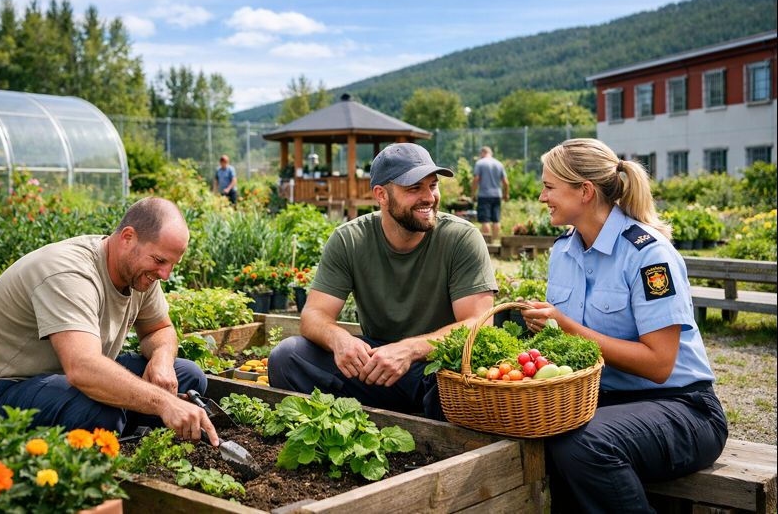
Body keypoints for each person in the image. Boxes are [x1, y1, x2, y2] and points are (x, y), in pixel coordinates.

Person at [520, 138, 727, 513]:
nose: (541, 196)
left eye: (549, 187)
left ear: (585, 191)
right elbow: (574, 350)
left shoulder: (649, 256)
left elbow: (659, 364)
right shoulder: (563, 251)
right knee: (530, 429)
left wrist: (565, 326)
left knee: (582, 443)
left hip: (684, 409)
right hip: (606, 402)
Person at [268, 142, 497, 418]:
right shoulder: (350, 239)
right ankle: (350, 427)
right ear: (381, 194)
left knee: (458, 389)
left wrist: (409, 350)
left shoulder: (460, 238)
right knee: (287, 357)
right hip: (375, 366)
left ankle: (429, 441)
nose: (429, 197)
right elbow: (314, 314)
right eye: (414, 188)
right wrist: (339, 339)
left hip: (436, 367)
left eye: (433, 185)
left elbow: (479, 324)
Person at [0, 197, 219, 446]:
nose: (165, 275)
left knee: (188, 376)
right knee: (101, 410)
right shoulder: (70, 273)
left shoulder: (139, 273)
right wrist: (163, 402)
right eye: (159, 261)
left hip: (63, 378)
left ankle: (124, 436)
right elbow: (83, 368)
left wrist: (162, 359)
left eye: (172, 265)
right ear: (128, 237)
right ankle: (108, 446)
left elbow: (160, 329)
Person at [471, 146, 509, 243]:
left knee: (485, 220)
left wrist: (473, 193)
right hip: (497, 195)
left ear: (483, 153)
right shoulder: (499, 164)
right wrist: (506, 194)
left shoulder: (480, 163)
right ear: (490, 153)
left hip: (484, 195)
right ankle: (495, 240)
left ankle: (488, 243)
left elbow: (476, 179)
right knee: (496, 220)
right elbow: (505, 182)